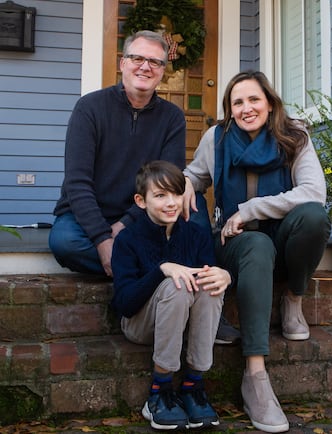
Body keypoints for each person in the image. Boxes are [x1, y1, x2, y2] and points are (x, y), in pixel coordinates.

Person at [47, 29, 240, 344]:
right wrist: (102, 239)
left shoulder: (172, 118)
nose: (145, 66)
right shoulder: (90, 108)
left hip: (146, 215)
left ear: (163, 71)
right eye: (138, 58)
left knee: (192, 210)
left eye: (155, 61)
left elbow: (170, 181)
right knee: (65, 242)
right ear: (123, 63)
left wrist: (125, 225)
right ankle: (159, 272)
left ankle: (204, 304)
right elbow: (77, 184)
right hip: (88, 216)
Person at [182, 70, 331, 433]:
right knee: (256, 244)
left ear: (269, 102)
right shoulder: (216, 139)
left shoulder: (294, 136)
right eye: (238, 102)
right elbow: (194, 175)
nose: (246, 108)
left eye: (254, 99)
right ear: (229, 109)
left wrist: (251, 208)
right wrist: (185, 184)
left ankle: (293, 297)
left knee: (312, 218)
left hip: (282, 239)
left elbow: (314, 192)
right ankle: (255, 375)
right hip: (239, 245)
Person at [111, 160, 231, 430]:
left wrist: (225, 276)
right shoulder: (128, 240)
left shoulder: (196, 234)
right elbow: (125, 304)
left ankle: (192, 386)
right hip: (141, 324)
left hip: (182, 324)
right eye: (160, 195)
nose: (171, 202)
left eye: (176, 194)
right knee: (176, 283)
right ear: (141, 201)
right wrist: (161, 270)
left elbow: (208, 278)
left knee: (209, 284)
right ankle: (160, 391)